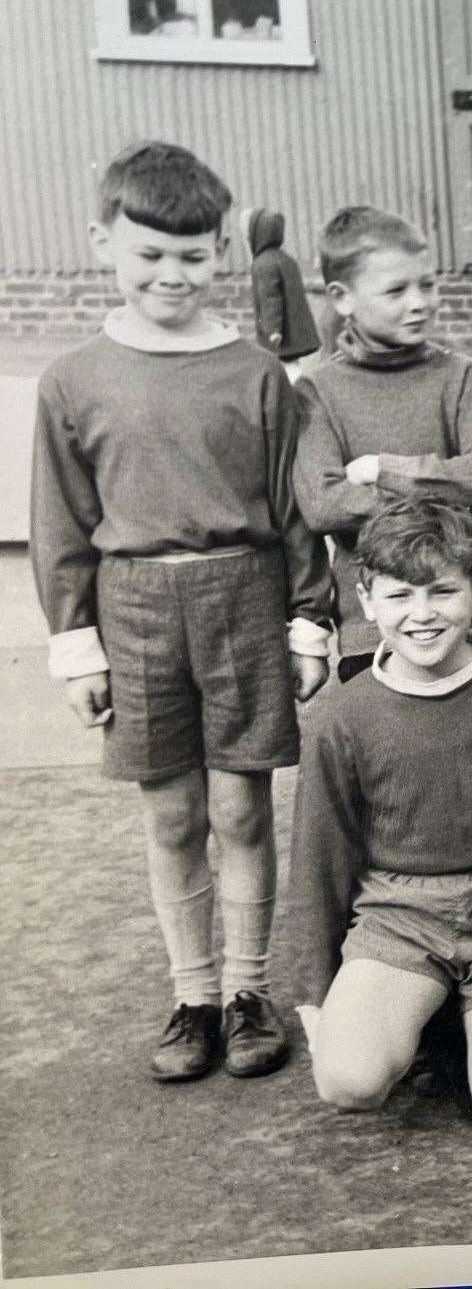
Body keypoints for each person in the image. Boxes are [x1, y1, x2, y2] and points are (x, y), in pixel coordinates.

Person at [30, 140, 332, 1083]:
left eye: (194, 255)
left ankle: (248, 992)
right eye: (149, 254)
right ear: (103, 244)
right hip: (135, 611)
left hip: (242, 597)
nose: (173, 274)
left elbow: (295, 515)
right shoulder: (74, 380)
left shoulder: (260, 376)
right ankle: (191, 994)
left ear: (223, 253)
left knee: (242, 809)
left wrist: (308, 621)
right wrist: (78, 651)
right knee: (171, 818)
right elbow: (63, 524)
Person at [288, 499, 472, 1133]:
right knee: (348, 1081)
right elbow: (320, 857)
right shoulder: (346, 712)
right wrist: (316, 996)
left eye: (442, 592)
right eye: (398, 596)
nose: (421, 615)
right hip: (399, 914)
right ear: (365, 600)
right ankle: (438, 1019)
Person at [295, 206, 472, 685]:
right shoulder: (319, 391)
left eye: (427, 284)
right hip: (373, 629)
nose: (420, 302)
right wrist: (449, 495)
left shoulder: (463, 375)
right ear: (342, 297)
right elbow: (323, 504)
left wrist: (384, 470)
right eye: (396, 290)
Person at [242, 206, 319, 378]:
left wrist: (273, 330)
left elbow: (270, 298)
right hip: (293, 331)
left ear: (257, 234)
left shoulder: (263, 264)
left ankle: (291, 396)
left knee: (284, 369)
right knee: (291, 364)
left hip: (280, 334)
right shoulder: (285, 258)